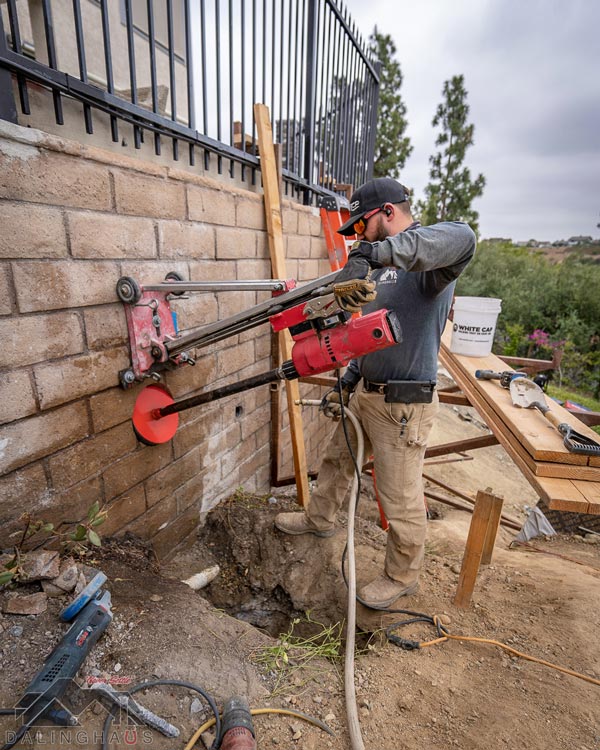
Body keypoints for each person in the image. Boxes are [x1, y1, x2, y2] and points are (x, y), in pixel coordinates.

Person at [274, 177, 476, 608]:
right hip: (366, 391)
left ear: (387, 212)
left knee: (399, 495)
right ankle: (320, 519)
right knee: (336, 460)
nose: (358, 237)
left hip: (404, 403)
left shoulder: (432, 263)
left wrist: (375, 251)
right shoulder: (381, 271)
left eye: (362, 226)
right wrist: (349, 378)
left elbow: (465, 237)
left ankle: (402, 576)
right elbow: (366, 333)